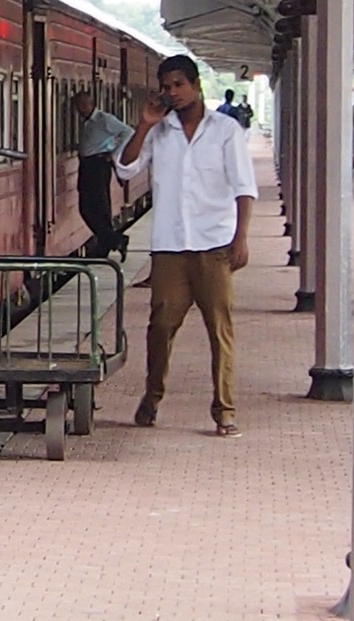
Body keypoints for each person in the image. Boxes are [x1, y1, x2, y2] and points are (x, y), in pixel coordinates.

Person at [114, 54, 257, 438]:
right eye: (166, 86)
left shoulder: (226, 131)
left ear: (196, 85)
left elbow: (244, 188)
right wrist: (144, 125)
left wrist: (241, 238)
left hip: (214, 247)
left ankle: (225, 410)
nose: (172, 92)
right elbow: (125, 168)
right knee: (160, 326)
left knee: (220, 330)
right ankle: (152, 396)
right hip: (171, 248)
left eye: (178, 84)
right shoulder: (159, 133)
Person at [72, 91, 133, 261]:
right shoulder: (86, 123)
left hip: (98, 166)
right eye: (78, 106)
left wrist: (113, 153)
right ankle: (107, 244)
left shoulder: (104, 119)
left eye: (82, 105)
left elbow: (128, 132)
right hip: (88, 166)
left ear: (90, 104)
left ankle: (115, 240)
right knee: (92, 208)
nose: (80, 109)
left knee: (93, 207)